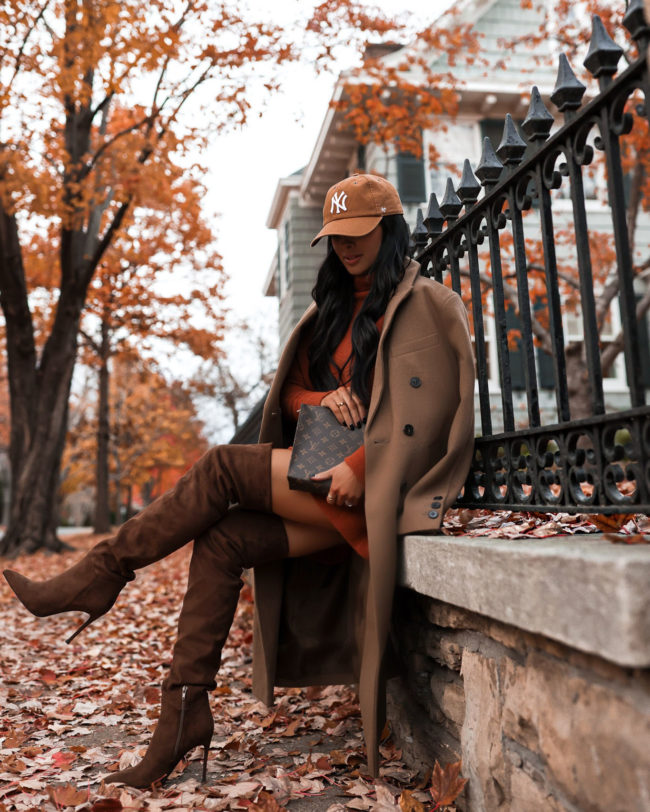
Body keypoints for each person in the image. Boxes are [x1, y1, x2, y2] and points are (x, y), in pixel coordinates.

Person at [3, 173, 475, 788]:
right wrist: (324, 400)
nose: (346, 248)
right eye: (336, 238)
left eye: (359, 235)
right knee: (223, 540)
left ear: (390, 229)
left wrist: (360, 469)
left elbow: (436, 418)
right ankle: (181, 718)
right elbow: (291, 399)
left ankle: (99, 576)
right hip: (319, 489)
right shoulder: (326, 312)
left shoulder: (430, 307)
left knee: (223, 466)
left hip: (378, 496)